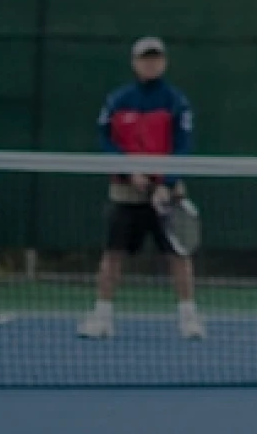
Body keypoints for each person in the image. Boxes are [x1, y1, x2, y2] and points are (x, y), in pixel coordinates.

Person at [77, 36, 201, 340]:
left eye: (156, 58)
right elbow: (106, 140)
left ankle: (189, 319)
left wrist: (166, 183)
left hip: (166, 193)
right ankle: (102, 317)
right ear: (134, 63)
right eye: (145, 58)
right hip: (125, 191)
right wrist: (129, 170)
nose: (151, 63)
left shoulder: (176, 101)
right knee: (113, 254)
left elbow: (183, 145)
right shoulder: (117, 100)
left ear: (164, 62)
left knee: (178, 255)